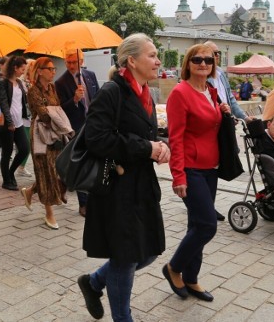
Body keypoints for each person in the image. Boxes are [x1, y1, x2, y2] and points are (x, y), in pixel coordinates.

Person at [76, 34, 169, 321]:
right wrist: (146, 148)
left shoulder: (145, 93)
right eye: (152, 55)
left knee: (148, 252)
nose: (158, 61)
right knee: (126, 258)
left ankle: (93, 282)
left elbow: (141, 134)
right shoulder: (112, 91)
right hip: (117, 188)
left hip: (142, 186)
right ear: (132, 60)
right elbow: (96, 138)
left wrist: (160, 145)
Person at [162, 43, 231, 304]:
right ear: (188, 64)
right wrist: (177, 176)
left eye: (208, 60)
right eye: (197, 60)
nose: (203, 64)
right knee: (206, 225)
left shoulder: (211, 91)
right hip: (191, 168)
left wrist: (222, 111)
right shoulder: (180, 93)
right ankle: (173, 267)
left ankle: (192, 278)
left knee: (196, 225)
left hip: (210, 168)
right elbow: (175, 138)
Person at [20, 57, 71, 230]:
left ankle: (29, 192)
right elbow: (44, 115)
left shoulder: (52, 88)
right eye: (49, 69)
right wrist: (56, 115)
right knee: (45, 172)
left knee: (54, 169)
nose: (53, 72)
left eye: (54, 69)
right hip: (41, 134)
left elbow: (56, 108)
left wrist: (55, 113)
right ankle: (49, 213)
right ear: (40, 71)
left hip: (55, 133)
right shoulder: (33, 90)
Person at [204, 41, 249, 221]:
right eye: (211, 54)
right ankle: (204, 204)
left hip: (225, 123)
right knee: (210, 165)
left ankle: (207, 204)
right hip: (212, 125)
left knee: (218, 164)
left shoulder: (221, 73)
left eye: (217, 53)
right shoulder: (201, 74)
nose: (215, 57)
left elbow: (230, 97)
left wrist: (244, 116)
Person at [55, 49, 99, 217]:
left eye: (74, 62)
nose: (71, 65)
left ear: (81, 60)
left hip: (94, 124)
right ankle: (83, 204)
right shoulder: (61, 82)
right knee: (82, 163)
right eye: (68, 62)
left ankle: (63, 182)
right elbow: (61, 110)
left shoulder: (90, 75)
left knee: (92, 161)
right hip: (75, 127)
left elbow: (98, 97)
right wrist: (74, 99)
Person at [0, 56, 30, 191]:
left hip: (19, 122)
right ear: (15, 68)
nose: (23, 71)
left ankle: (10, 173)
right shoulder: (3, 83)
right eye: (22, 69)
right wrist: (9, 122)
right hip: (7, 124)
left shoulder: (20, 83)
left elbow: (23, 102)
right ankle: (6, 180)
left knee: (24, 149)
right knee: (7, 152)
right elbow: (3, 103)